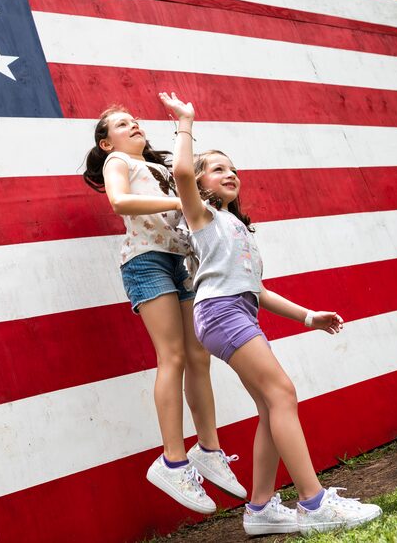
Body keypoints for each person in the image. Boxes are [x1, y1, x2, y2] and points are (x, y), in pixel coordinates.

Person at [158, 91, 382, 534]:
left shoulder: (236, 226)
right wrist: (185, 122)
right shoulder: (201, 216)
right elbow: (181, 169)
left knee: (269, 404)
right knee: (283, 393)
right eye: (218, 168)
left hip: (236, 310)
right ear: (200, 184)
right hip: (221, 314)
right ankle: (315, 504)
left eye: (233, 168)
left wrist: (306, 316)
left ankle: (260, 510)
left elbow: (255, 289)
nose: (230, 173)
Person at [82, 106, 247, 514]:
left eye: (134, 119)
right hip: (146, 260)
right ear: (107, 143)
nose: (132, 124)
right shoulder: (119, 161)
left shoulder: (157, 168)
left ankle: (208, 449)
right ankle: (173, 461)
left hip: (180, 259)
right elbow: (119, 201)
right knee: (171, 356)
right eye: (121, 124)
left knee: (198, 355)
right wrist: (177, 197)